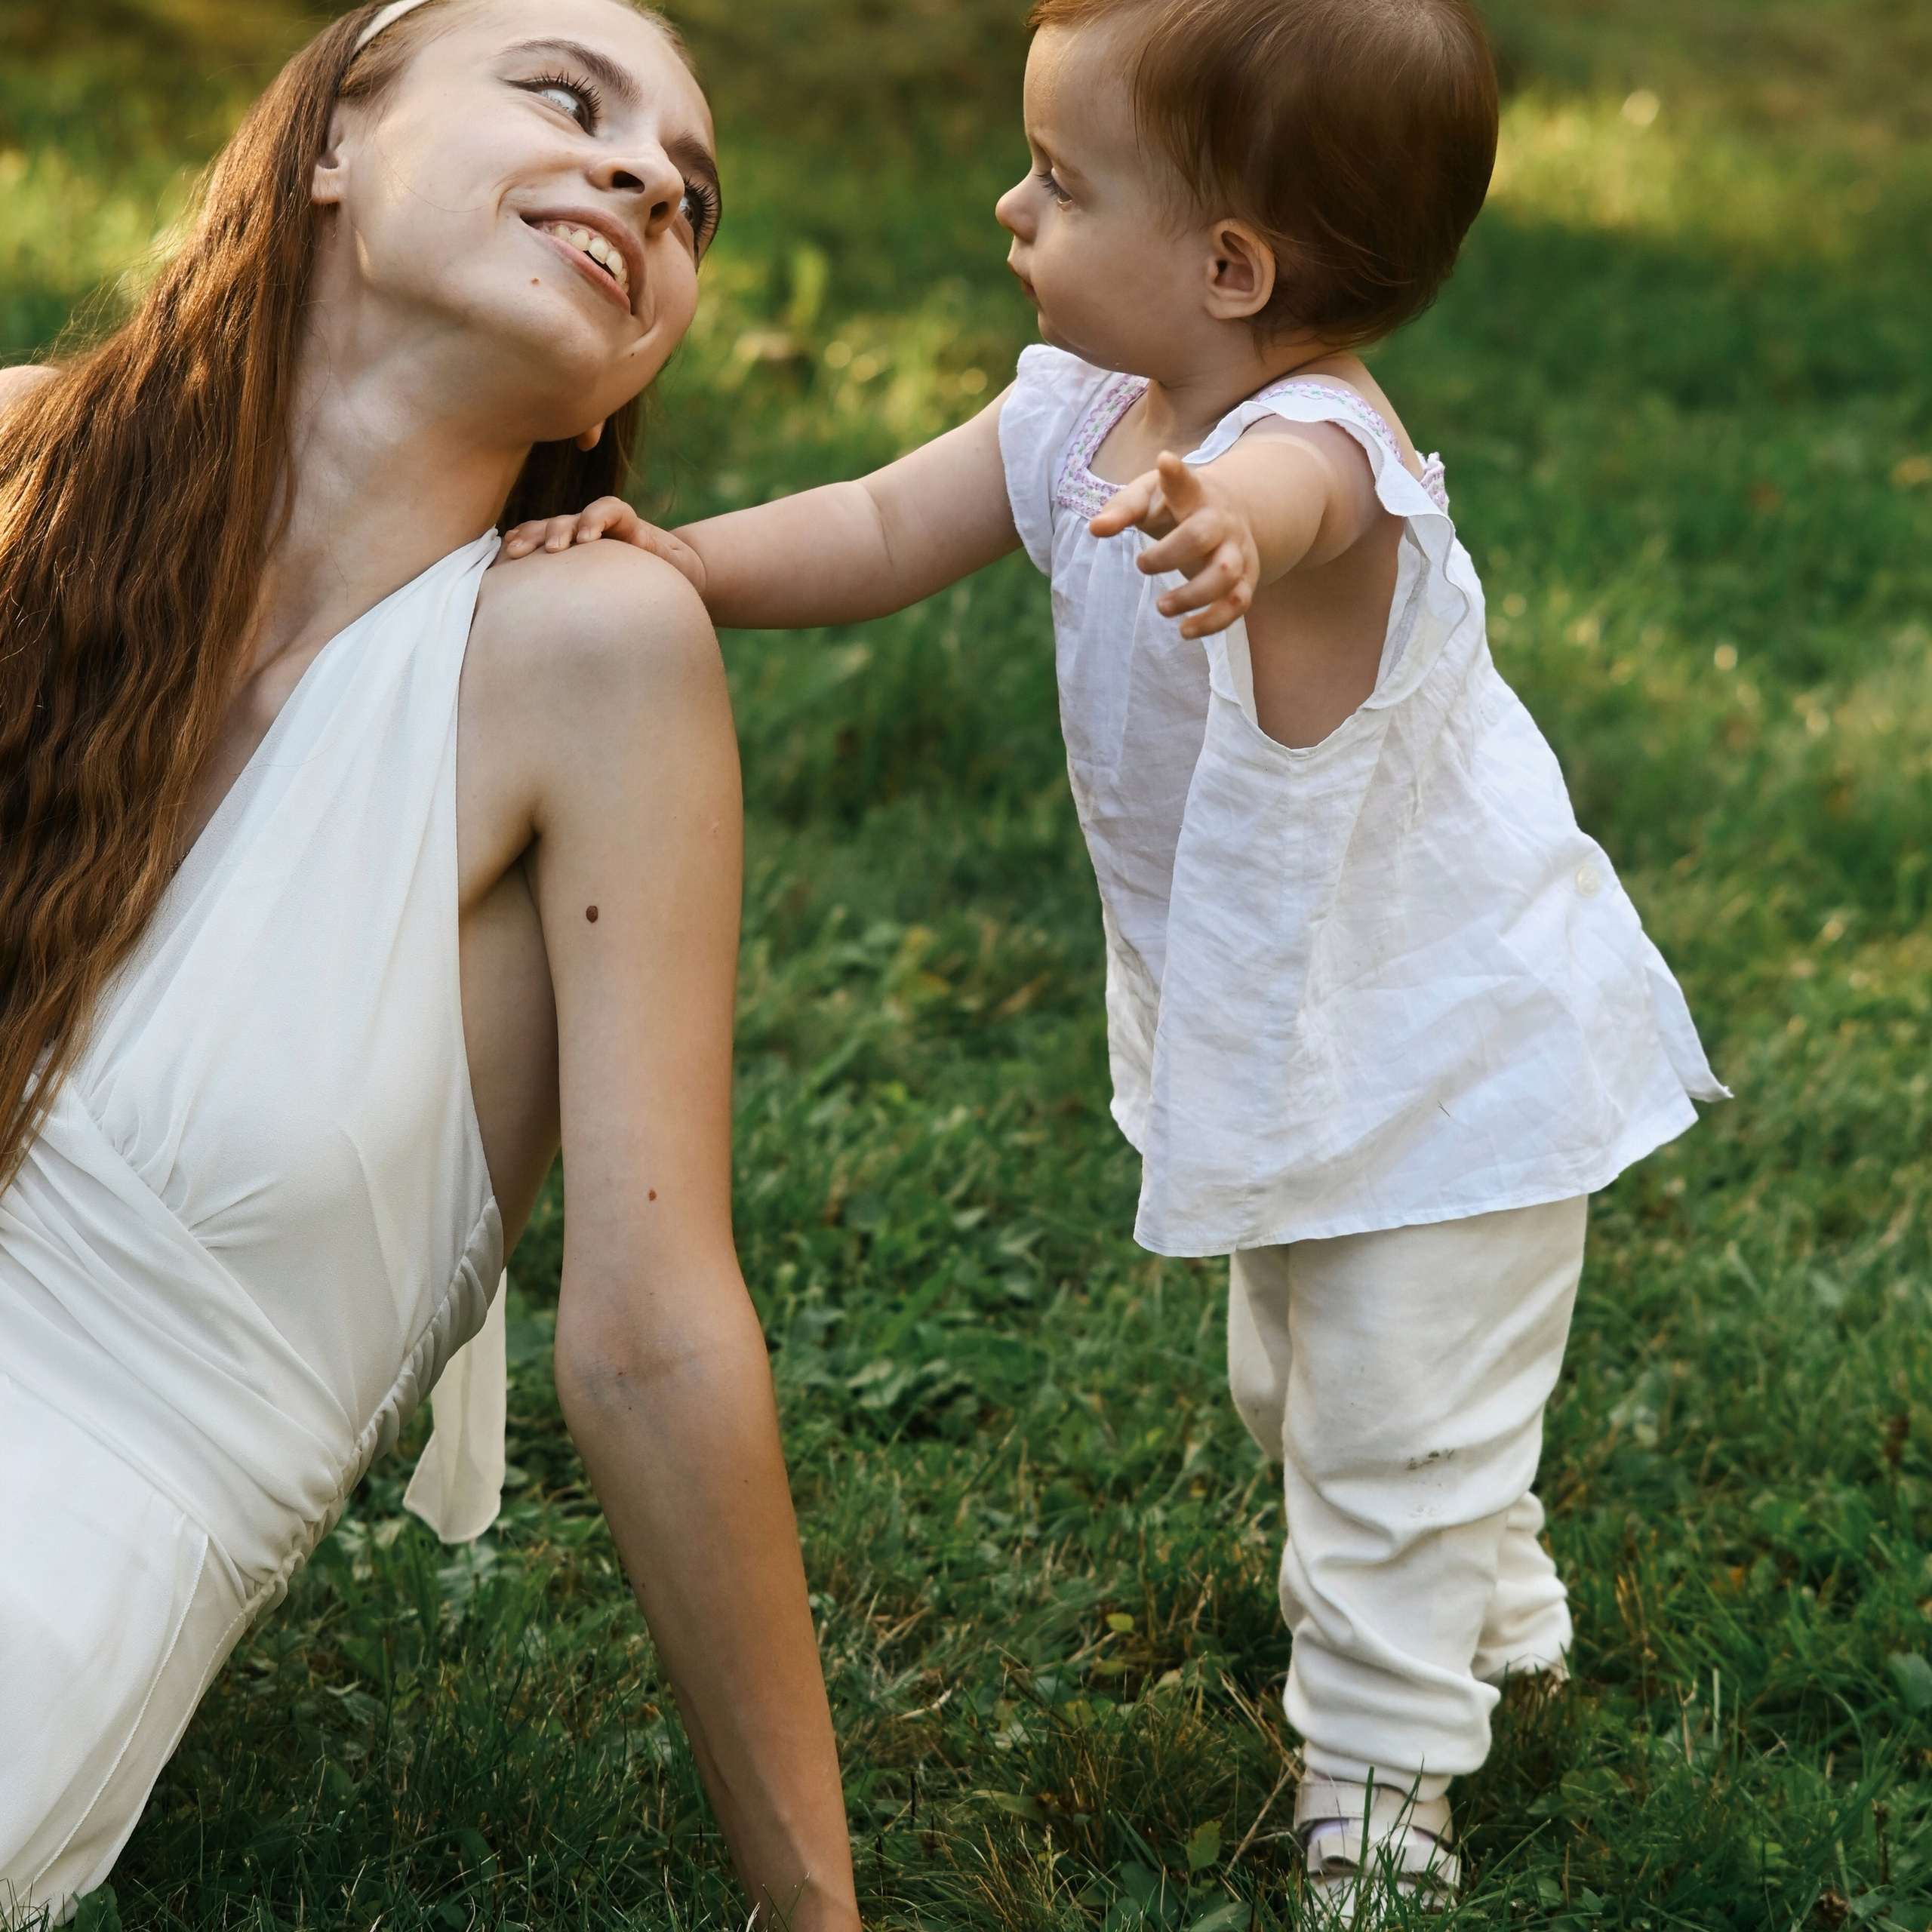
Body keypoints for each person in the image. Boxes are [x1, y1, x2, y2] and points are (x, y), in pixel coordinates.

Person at [502, 0, 1727, 1912]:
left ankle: (1381, 1797)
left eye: (1060, 183)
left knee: (1377, 1444)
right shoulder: (1076, 409)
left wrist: (1227, 526)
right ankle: (1492, 1591)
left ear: (1229, 268)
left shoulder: (1318, 458)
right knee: (1301, 1398)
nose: (1010, 208)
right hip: (1311, 1049)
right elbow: (877, 521)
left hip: (1459, 1064)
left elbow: (1300, 500)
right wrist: (681, 564)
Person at [0, 2, 859, 1926]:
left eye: (693, 198)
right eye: (564, 94)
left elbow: (648, 1331)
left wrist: (815, 1912)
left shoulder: (588, 656)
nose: (648, 180)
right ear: (330, 143)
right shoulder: (19, 468)